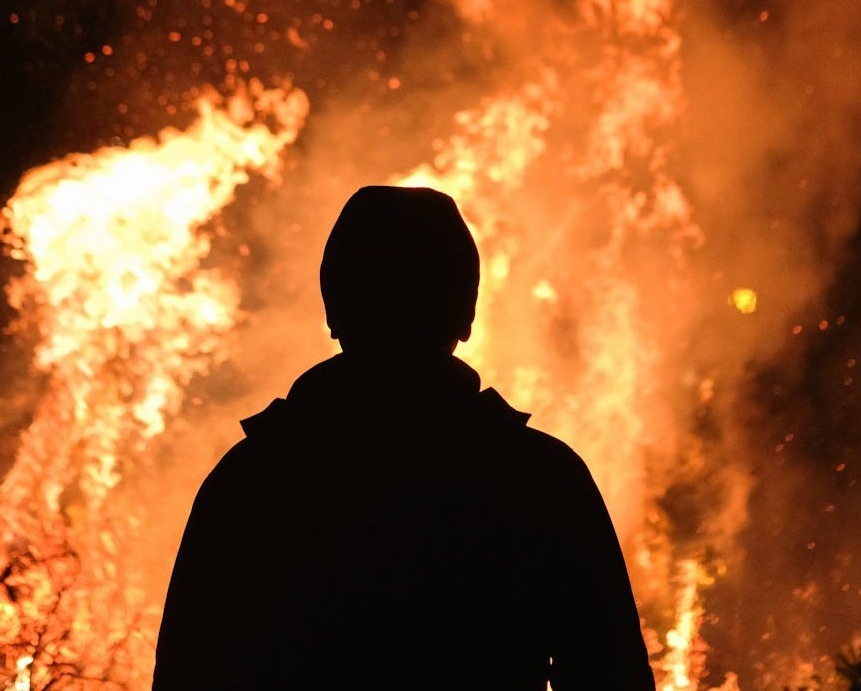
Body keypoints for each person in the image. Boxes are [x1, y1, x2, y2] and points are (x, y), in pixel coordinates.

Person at [153, 186, 655, 690]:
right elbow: (611, 676)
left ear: (334, 308)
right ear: (466, 313)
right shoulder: (541, 479)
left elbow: (187, 672)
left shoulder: (254, 480)